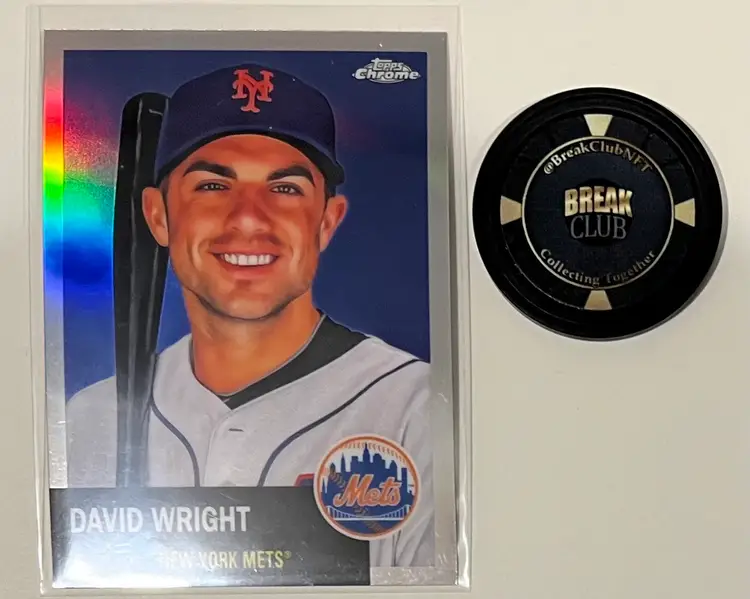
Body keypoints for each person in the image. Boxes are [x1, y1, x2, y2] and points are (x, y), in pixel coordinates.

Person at [64, 63, 434, 568]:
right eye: (213, 186)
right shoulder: (91, 418)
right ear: (157, 215)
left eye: (285, 189)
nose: (248, 218)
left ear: (327, 222)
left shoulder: (416, 409)